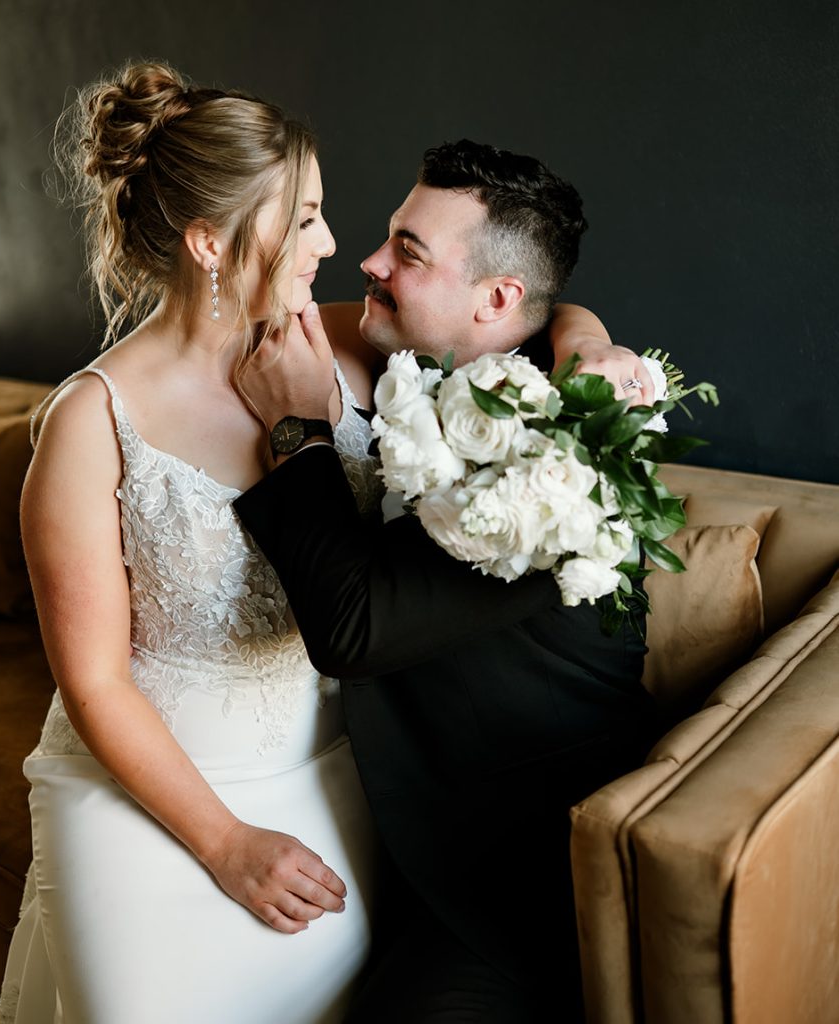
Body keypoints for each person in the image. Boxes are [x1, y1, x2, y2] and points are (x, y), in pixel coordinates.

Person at [0, 62, 642, 1024]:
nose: (337, 247)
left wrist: (586, 338)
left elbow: (504, 323)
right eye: (305, 220)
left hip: (335, 773)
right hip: (162, 791)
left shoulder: (336, 343)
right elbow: (92, 684)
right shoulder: (92, 423)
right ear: (211, 242)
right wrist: (224, 843)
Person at [233, 140, 662, 1022]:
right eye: (392, 237)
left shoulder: (560, 470)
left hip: (514, 884)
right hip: (386, 819)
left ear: (498, 299)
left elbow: (352, 629)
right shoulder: (492, 358)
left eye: (409, 254)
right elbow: (551, 308)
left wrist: (297, 430)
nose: (370, 262)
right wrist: (583, 326)